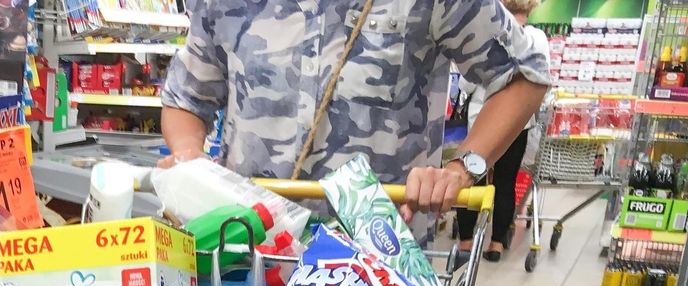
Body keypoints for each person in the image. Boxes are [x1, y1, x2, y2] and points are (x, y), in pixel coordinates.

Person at [160, 0, 551, 222]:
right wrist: (187, 157)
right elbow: (187, 97)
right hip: (249, 254)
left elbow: (523, 77)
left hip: (378, 268)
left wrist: (463, 168)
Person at [456, 0, 551, 260]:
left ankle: (465, 241)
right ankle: (496, 243)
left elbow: (466, 84)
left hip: (480, 118)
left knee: (468, 175)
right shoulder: (537, 38)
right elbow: (542, 80)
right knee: (506, 182)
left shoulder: (488, 31)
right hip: (517, 123)